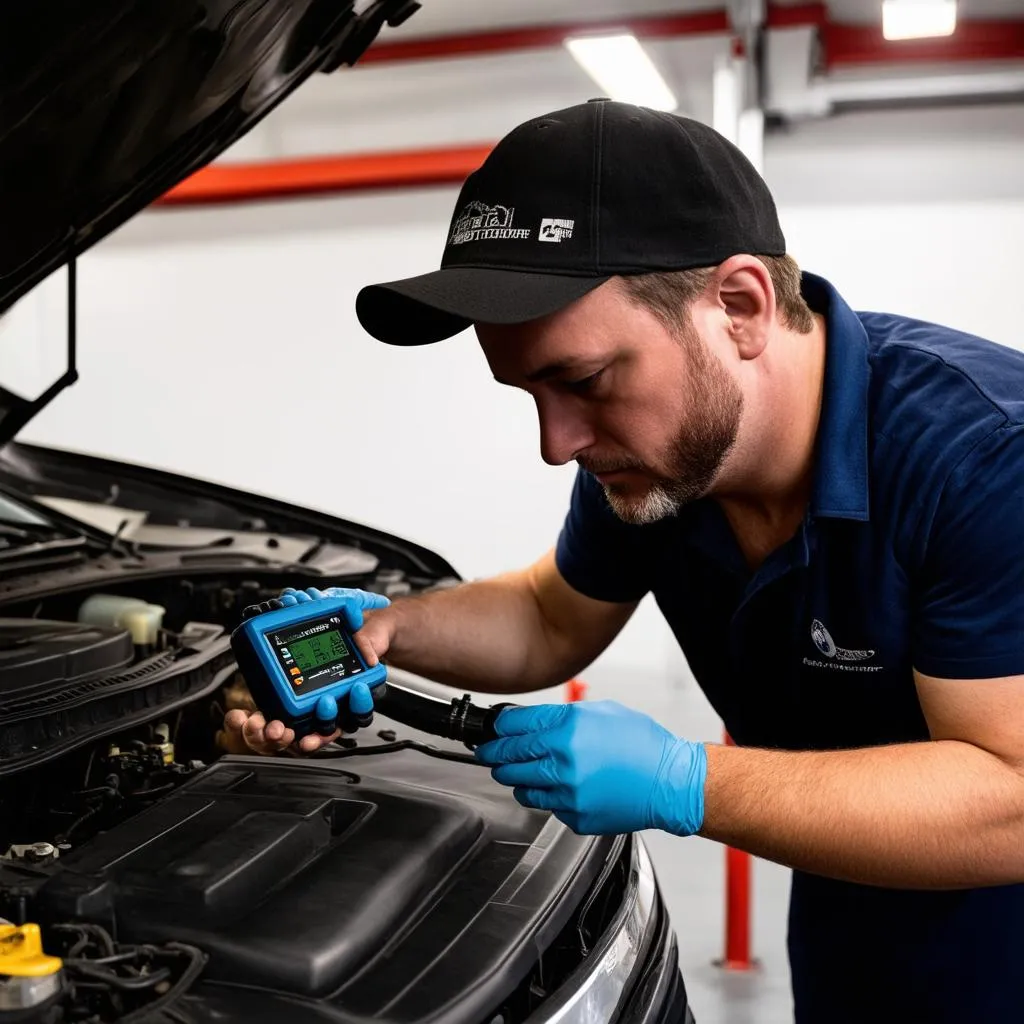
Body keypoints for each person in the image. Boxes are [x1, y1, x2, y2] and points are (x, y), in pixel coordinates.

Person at [221, 99, 1024, 1022]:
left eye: (584, 381)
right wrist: (388, 626)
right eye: (528, 392)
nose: (556, 444)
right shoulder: (665, 467)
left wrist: (684, 780)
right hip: (859, 920)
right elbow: (550, 616)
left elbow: (1014, 797)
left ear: (739, 307)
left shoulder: (985, 457)